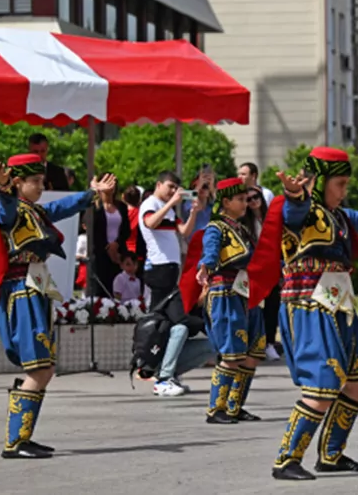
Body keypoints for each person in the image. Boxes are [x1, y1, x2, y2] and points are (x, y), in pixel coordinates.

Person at [251, 147, 358, 480]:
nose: (344, 191)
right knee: (323, 386)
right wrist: (294, 194)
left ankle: (331, 454)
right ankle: (287, 459)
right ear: (319, 182)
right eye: (340, 184)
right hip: (308, 305)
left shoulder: (338, 215)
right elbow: (293, 213)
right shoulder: (301, 210)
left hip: (339, 304)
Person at [0, 154, 115, 459]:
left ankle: (22, 438)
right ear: (18, 182)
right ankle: (15, 442)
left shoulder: (35, 211)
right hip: (22, 291)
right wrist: (3, 189)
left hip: (36, 288)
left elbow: (63, 207)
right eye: (36, 181)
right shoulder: (12, 210)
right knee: (40, 368)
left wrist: (92, 193)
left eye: (42, 180)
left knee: (45, 367)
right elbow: (7, 210)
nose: (42, 186)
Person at [192, 177, 265, 424]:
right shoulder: (216, 228)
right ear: (226, 201)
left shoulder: (241, 228)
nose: (246, 203)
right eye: (241, 199)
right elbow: (210, 252)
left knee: (252, 353)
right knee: (232, 355)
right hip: (225, 293)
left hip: (245, 292)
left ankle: (234, 406)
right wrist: (206, 266)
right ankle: (216, 408)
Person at [139, 171, 201, 396]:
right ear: (158, 184)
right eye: (170, 187)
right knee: (179, 321)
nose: (173, 192)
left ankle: (167, 373)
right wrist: (171, 204)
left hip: (170, 270)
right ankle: (162, 376)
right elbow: (150, 223)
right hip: (158, 270)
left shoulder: (167, 208)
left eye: (177, 189)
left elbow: (184, 231)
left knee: (169, 324)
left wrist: (193, 212)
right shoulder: (151, 203)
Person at [244, 185, 281, 361]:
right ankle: (252, 343)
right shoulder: (245, 221)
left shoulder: (270, 218)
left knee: (272, 307)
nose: (253, 202)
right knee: (251, 307)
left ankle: (269, 343)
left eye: (256, 197)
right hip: (253, 269)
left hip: (271, 267)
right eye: (248, 199)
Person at [89, 182, 130, 298]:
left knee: (117, 286)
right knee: (100, 287)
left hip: (118, 252)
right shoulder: (94, 207)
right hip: (100, 252)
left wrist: (116, 244)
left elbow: (126, 230)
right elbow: (93, 230)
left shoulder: (121, 206)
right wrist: (107, 247)